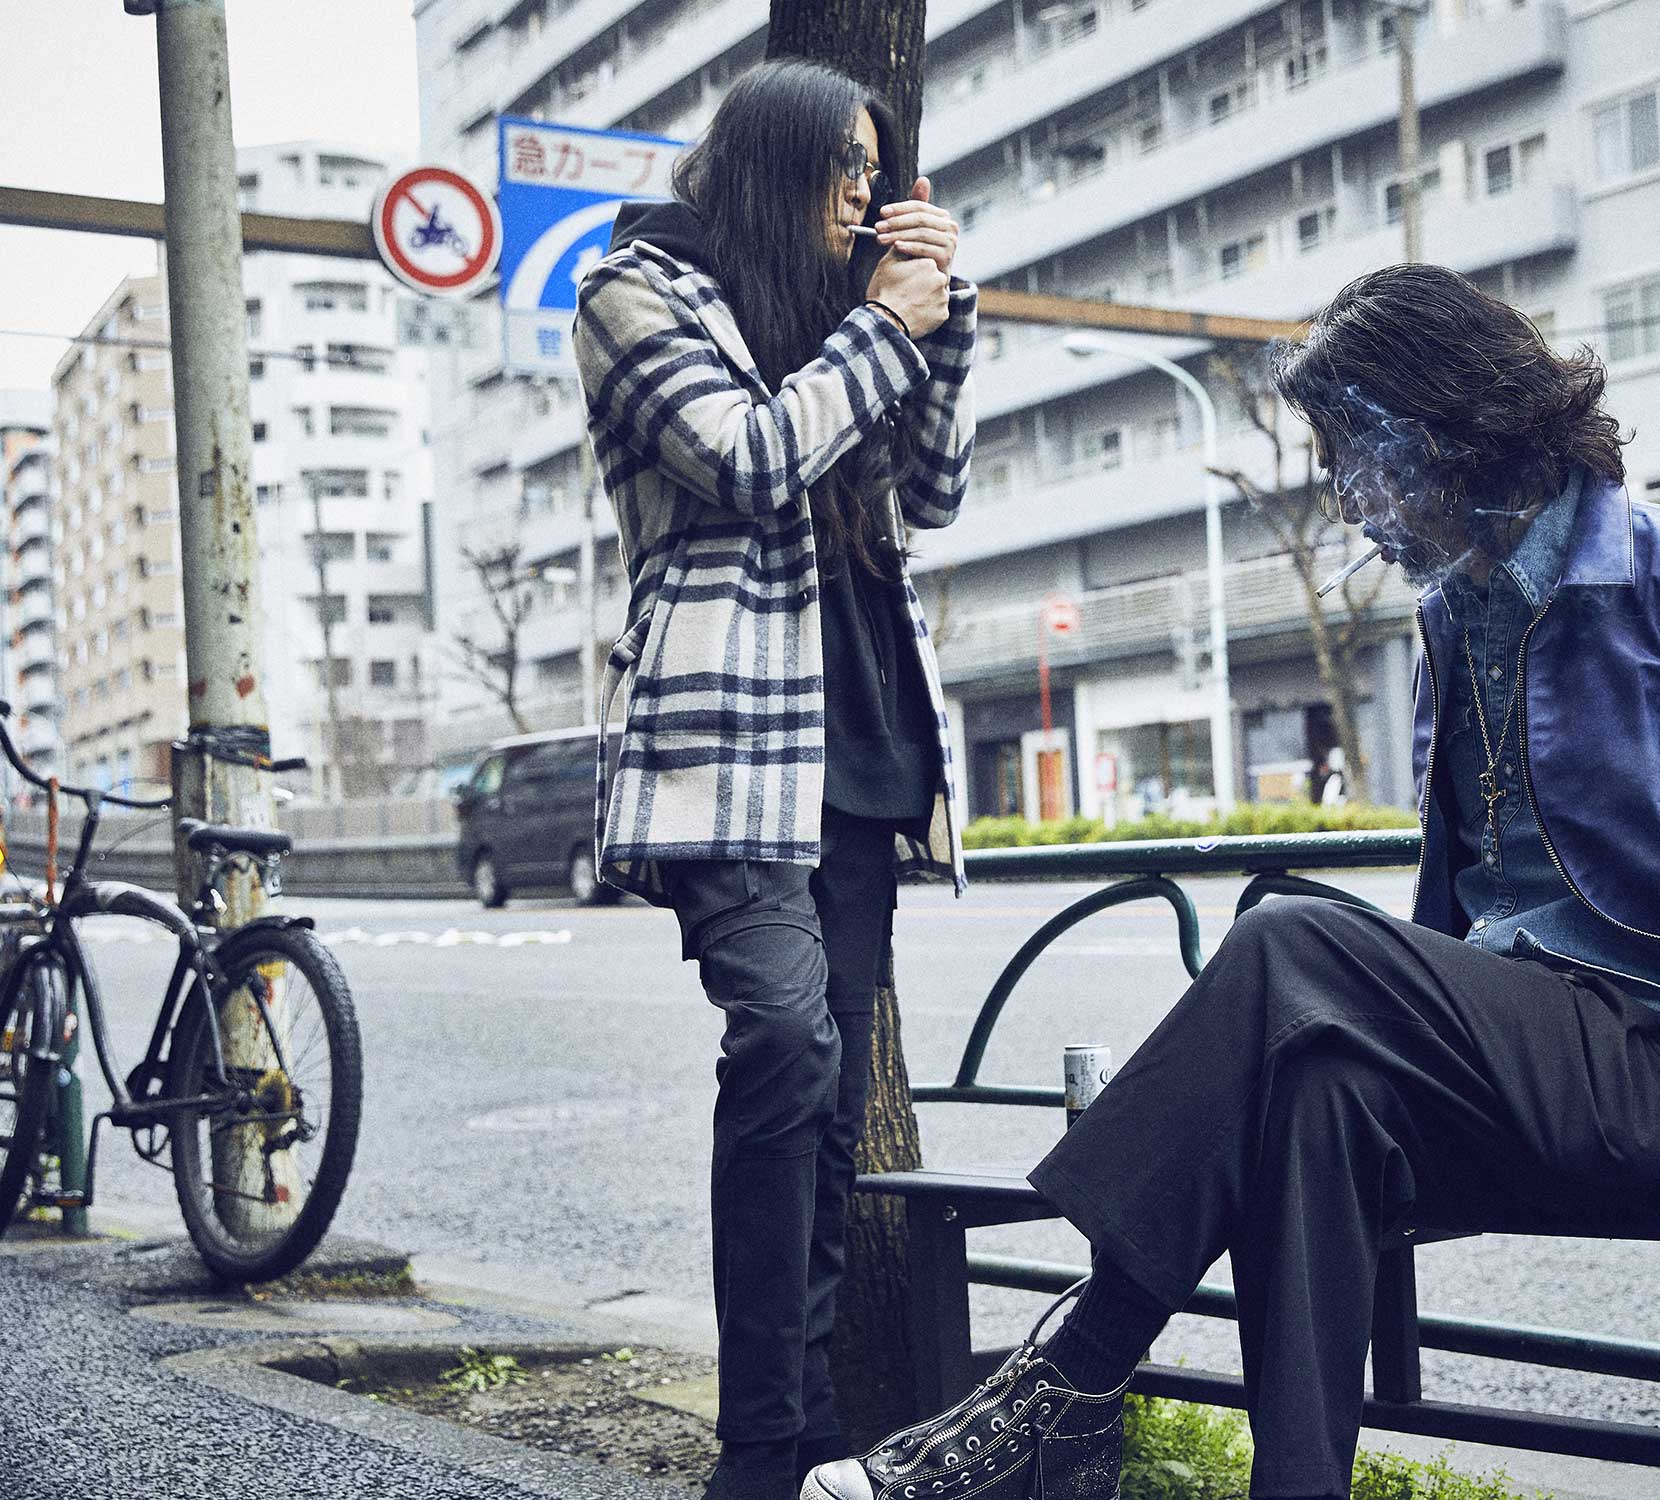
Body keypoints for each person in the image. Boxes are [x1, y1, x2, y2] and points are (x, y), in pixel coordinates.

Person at [805, 264, 1660, 1500]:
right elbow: (1469, 916)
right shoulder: (1452, 615)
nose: (1342, 498)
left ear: (1449, 428)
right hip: (1512, 1071)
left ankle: (1067, 1381)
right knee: (1318, 1090)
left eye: (1351, 454)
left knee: (1291, 937)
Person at [572, 60, 975, 1500]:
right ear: (775, 165)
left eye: (875, 171)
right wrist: (884, 326)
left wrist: (945, 322)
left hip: (861, 734)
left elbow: (930, 495)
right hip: (726, 745)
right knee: (786, 1048)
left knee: (828, 1102)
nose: (862, 195)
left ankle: (804, 1440)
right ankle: (758, 1448)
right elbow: (745, 459)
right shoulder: (633, 293)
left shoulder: (838, 315)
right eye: (842, 169)